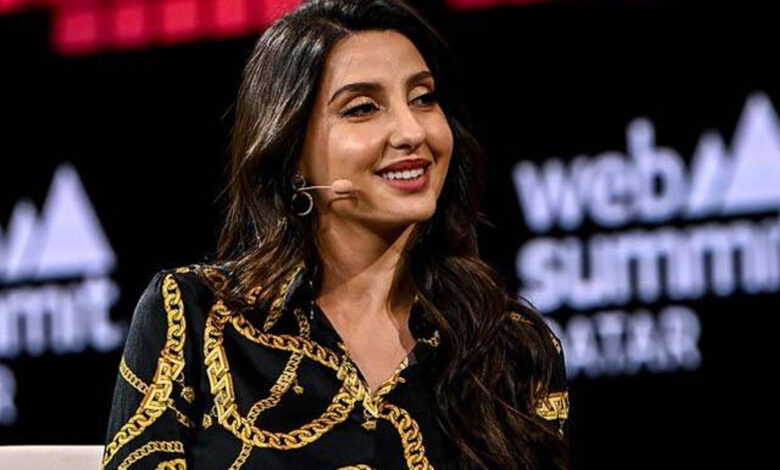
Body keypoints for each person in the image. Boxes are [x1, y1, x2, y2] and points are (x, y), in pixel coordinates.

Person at [101, 0, 570, 469]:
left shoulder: (511, 346)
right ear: (291, 150)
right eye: (362, 108)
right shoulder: (194, 316)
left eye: (423, 98)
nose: (411, 131)